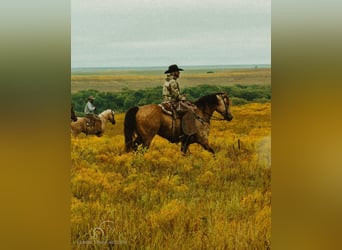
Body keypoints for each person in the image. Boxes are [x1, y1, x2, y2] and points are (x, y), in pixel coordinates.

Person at [162, 64, 197, 137]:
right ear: (174, 72)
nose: (179, 73)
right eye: (178, 71)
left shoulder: (168, 79)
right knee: (189, 109)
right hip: (172, 101)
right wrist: (182, 98)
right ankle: (187, 131)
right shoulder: (172, 81)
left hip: (166, 100)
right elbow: (175, 95)